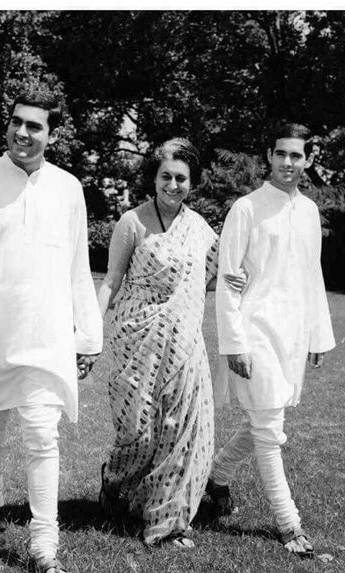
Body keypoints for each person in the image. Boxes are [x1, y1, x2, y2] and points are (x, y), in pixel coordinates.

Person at [0, 90, 102, 573]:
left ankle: (44, 545)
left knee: (42, 436)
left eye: (35, 126)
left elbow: (79, 266)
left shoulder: (68, 188)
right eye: (17, 122)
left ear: (51, 134)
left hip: (48, 334)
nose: (23, 133)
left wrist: (87, 335)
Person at [97, 138, 246, 549]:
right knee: (139, 432)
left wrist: (233, 280)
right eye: (167, 176)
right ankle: (115, 479)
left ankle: (168, 521)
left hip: (184, 341)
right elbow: (111, 280)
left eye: (182, 178)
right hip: (135, 338)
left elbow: (207, 276)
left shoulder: (198, 228)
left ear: (191, 183)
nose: (174, 185)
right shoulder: (132, 222)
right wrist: (90, 332)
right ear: (154, 178)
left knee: (182, 428)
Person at [207, 123, 336, 558]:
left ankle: (217, 476)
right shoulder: (246, 208)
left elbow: (312, 276)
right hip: (254, 329)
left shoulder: (310, 212)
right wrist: (234, 343)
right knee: (269, 429)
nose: (287, 162)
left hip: (293, 334)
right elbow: (226, 283)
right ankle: (288, 524)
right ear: (268, 155)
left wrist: (318, 333)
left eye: (296, 155)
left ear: (308, 161)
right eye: (280, 153)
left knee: (264, 419)